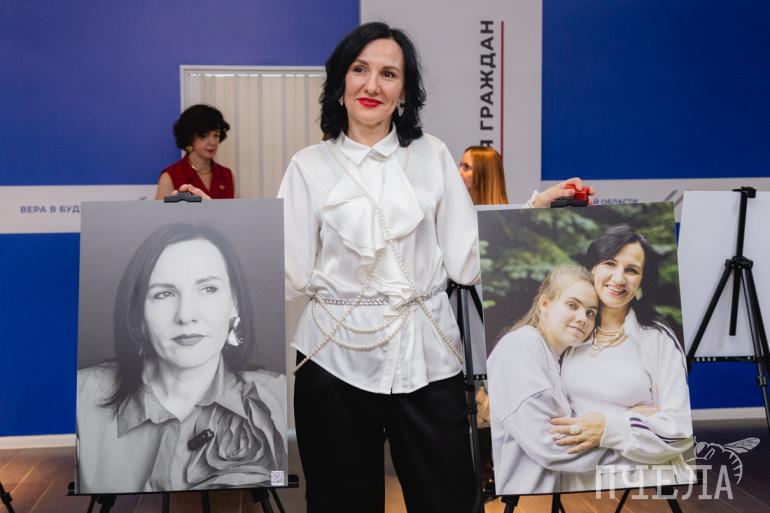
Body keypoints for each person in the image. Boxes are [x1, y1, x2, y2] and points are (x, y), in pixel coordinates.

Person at [277, 22, 479, 513]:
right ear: (339, 83)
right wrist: (215, 223)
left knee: (450, 500)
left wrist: (534, 215)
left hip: (428, 356)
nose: (372, 85)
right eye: (359, 69)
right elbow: (288, 272)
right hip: (333, 360)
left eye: (389, 74)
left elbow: (467, 259)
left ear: (404, 91)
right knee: (340, 504)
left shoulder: (432, 155)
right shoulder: (307, 166)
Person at [77, 223, 287, 493]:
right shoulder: (81, 397)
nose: (186, 315)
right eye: (164, 294)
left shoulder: (279, 396)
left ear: (233, 303)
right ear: (138, 315)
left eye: (208, 289)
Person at [552, 224, 694, 491]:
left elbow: (680, 428)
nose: (618, 279)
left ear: (642, 282)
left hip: (639, 478)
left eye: (631, 270)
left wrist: (610, 427)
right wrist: (635, 417)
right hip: (573, 475)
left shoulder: (656, 338)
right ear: (592, 268)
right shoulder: (569, 331)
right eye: (609, 263)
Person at [487, 266, 622, 494]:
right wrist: (630, 434)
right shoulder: (521, 346)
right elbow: (553, 447)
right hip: (529, 500)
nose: (583, 318)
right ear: (545, 304)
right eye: (572, 305)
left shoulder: (556, 359)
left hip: (554, 493)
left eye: (590, 313)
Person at [458, 145, 595, 207]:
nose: (459, 172)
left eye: (466, 167)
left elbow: (530, 208)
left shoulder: (507, 222)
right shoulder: (451, 213)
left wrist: (543, 201)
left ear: (486, 174)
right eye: (460, 166)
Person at [155, 105, 235, 200]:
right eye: (204, 135)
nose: (212, 142)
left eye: (216, 135)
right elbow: (160, 210)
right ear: (190, 137)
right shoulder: (170, 176)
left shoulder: (227, 175)